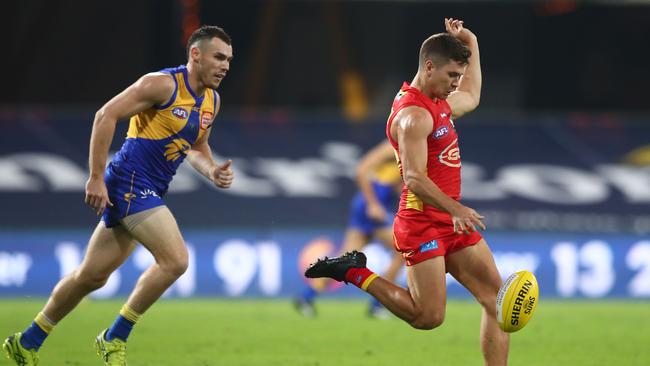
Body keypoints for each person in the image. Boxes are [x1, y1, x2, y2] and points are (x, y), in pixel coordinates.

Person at [2, 25, 234, 366]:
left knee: (91, 277)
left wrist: (211, 170)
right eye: (218, 56)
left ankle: (26, 341)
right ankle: (115, 336)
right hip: (129, 181)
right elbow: (105, 115)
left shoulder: (212, 100)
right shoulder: (161, 84)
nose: (225, 65)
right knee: (176, 261)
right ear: (195, 55)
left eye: (229, 59)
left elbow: (196, 146)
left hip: (149, 188)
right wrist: (95, 176)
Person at [306, 18, 510, 365]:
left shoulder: (438, 102)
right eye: (450, 77)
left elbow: (472, 97)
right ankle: (354, 271)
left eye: (458, 78)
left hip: (449, 220)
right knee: (427, 317)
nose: (455, 85)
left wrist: (472, 39)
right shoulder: (413, 115)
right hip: (421, 222)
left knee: (496, 302)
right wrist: (456, 209)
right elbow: (414, 178)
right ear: (429, 67)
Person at [295, 140, 404, 318]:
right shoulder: (392, 147)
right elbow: (361, 171)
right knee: (404, 250)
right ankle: (378, 305)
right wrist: (373, 204)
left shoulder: (410, 149)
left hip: (370, 206)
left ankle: (307, 297)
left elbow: (396, 183)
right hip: (369, 207)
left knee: (346, 260)